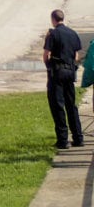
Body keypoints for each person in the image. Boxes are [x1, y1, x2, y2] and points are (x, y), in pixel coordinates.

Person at [43, 9, 83, 149]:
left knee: (58, 105)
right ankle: (78, 138)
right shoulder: (73, 33)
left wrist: (49, 67)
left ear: (53, 19)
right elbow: (77, 56)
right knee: (71, 105)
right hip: (70, 72)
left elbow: (46, 55)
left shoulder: (52, 34)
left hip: (57, 73)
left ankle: (63, 140)